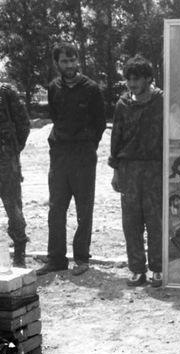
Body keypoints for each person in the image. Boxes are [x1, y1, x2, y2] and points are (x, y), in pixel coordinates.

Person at [36, 42, 106, 276]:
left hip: (83, 155)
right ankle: (56, 259)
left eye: (72, 60)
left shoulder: (91, 88)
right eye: (64, 61)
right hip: (59, 155)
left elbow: (99, 123)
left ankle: (82, 258)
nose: (69, 65)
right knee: (56, 208)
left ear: (78, 60)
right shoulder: (53, 87)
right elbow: (55, 117)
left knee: (84, 209)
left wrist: (87, 145)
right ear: (57, 63)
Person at [109, 55, 163, 287]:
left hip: (155, 168)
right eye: (129, 79)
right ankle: (137, 269)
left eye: (137, 79)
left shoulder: (161, 101)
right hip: (129, 168)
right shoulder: (123, 105)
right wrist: (115, 170)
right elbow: (116, 138)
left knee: (155, 220)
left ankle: (158, 268)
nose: (132, 84)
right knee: (131, 221)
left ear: (148, 79)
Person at [0, 82, 30, 267]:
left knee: (13, 207)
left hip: (5, 160)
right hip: (7, 157)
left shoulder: (5, 92)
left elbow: (23, 124)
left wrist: (13, 149)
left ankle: (19, 252)